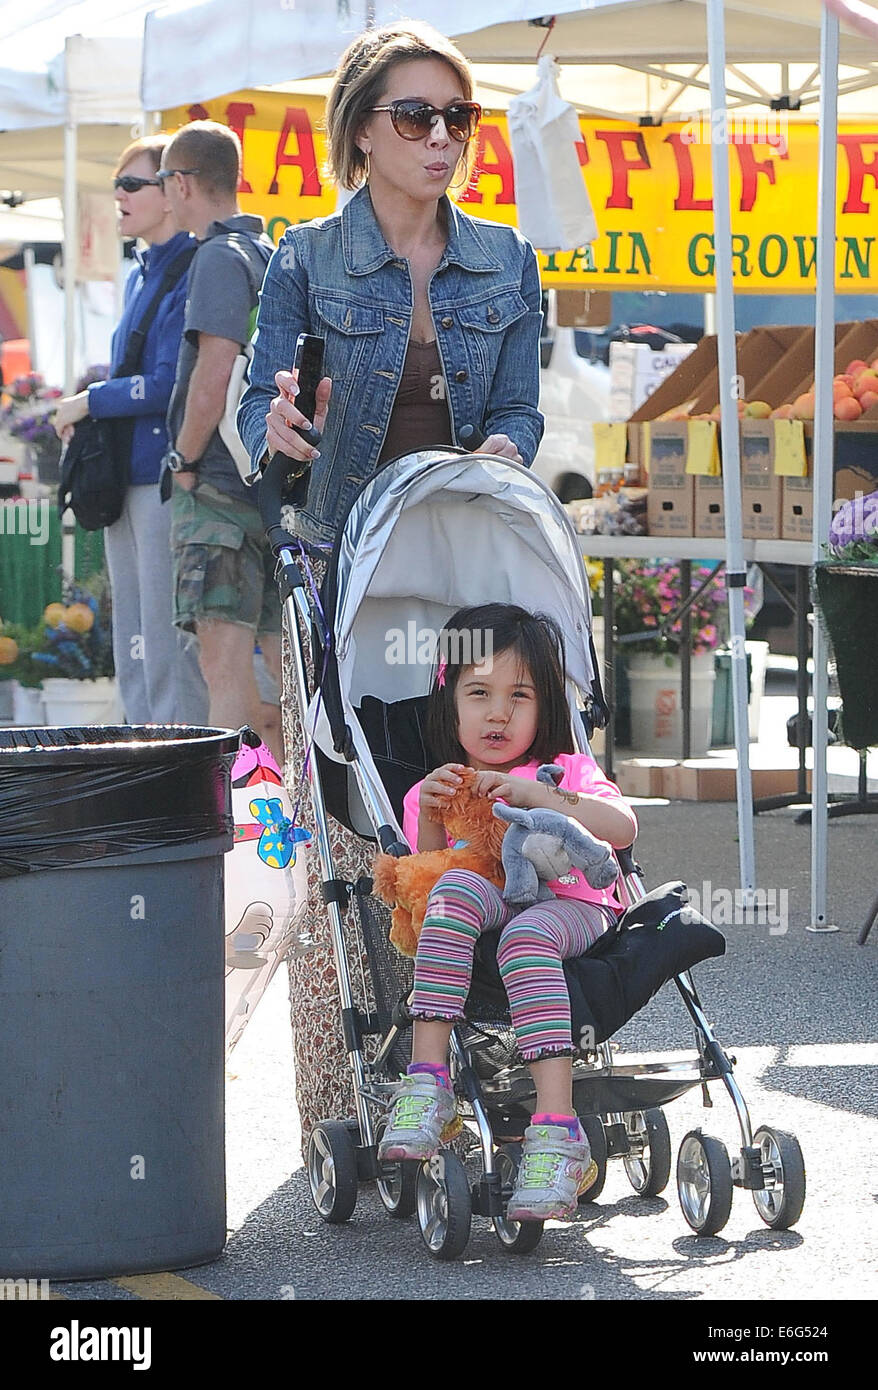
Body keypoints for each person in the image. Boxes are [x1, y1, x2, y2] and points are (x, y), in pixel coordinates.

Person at [235, 20, 545, 1144]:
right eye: (417, 117)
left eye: (458, 118)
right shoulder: (306, 257)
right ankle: (336, 1110)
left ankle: (495, 1055)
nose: (442, 138)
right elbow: (252, 413)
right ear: (362, 130)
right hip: (336, 567)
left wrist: (507, 448)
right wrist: (267, 423)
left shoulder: (504, 258)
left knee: (473, 800)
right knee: (342, 838)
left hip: (461, 566)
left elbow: (517, 405)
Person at [378, 603, 638, 1222]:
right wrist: (433, 817)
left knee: (525, 937)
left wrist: (543, 794)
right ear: (451, 704)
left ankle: (557, 1127)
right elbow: (429, 871)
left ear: (546, 707)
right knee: (449, 895)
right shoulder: (436, 787)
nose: (498, 713)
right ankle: (427, 1080)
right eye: (479, 693)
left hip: (574, 903)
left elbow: (622, 827)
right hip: (486, 892)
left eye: (519, 696)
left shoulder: (566, 769)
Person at [53, 136, 207, 725]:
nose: (119, 193)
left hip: (164, 476)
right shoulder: (142, 274)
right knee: (134, 634)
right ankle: (143, 745)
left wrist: (92, 400)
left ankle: (174, 762)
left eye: (133, 184)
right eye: (117, 183)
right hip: (130, 479)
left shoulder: (191, 269)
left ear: (170, 194)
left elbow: (171, 382)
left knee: (164, 639)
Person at [158, 120, 282, 764]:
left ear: (181, 183)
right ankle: (302, 819)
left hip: (219, 491)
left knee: (222, 662)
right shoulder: (267, 253)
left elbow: (213, 370)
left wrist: (182, 458)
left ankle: (228, 823)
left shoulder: (213, 257)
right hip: (267, 484)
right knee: (284, 674)